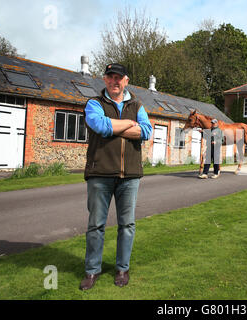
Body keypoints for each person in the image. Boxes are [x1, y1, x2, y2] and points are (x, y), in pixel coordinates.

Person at [79, 63, 152, 291]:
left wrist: (115, 126)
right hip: (99, 174)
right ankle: (92, 271)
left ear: (126, 80)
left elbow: (147, 131)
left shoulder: (137, 104)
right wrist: (130, 125)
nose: (115, 82)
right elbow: (99, 125)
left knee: (127, 225)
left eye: (119, 78)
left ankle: (122, 268)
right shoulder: (94, 103)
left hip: (129, 176)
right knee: (96, 225)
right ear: (105, 79)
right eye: (110, 77)